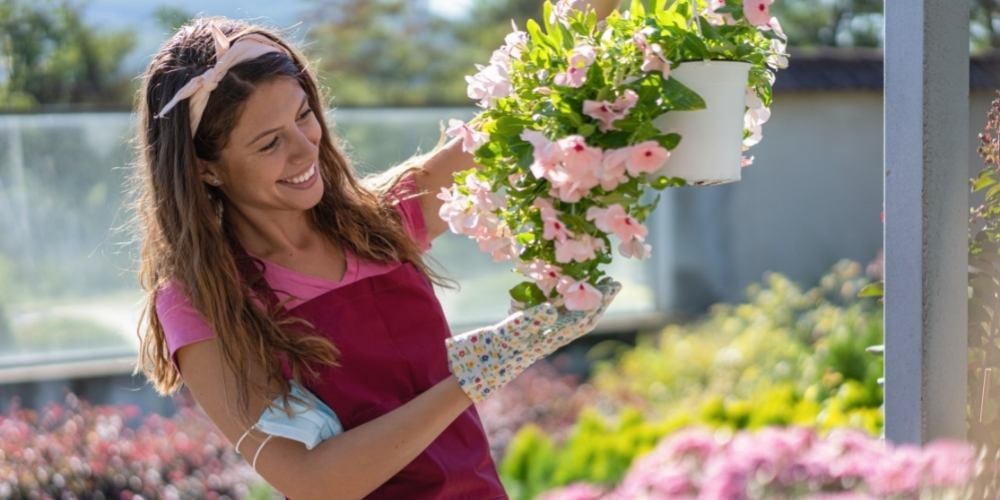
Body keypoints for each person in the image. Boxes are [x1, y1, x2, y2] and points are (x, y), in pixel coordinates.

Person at [132, 13, 620, 500]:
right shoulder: (199, 302)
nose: (305, 150)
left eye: (303, 115)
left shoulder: (378, 223)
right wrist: (474, 375)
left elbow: (519, 115)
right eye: (270, 143)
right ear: (205, 169)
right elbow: (312, 482)